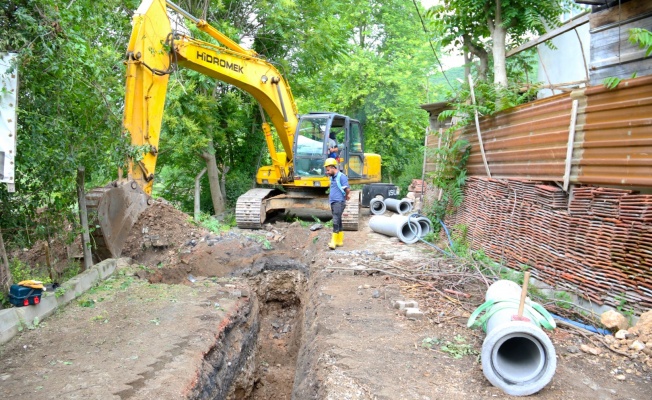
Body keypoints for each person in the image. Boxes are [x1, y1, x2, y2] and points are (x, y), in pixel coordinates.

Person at [324, 158, 350, 249]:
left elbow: (347, 189)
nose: (327, 172)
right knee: (338, 220)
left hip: (339, 202)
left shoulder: (341, 176)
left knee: (335, 220)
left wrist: (346, 196)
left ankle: (333, 242)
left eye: (328, 170)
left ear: (333, 167)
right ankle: (340, 241)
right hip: (334, 202)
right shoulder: (333, 177)